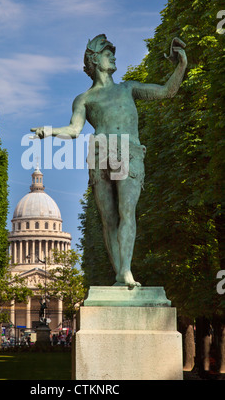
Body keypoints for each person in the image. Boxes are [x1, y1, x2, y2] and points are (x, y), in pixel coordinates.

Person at [31, 34, 187, 287]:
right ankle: (120, 272)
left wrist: (181, 65)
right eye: (107, 53)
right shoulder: (84, 99)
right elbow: (74, 130)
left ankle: (125, 271)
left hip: (128, 149)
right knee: (108, 219)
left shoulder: (128, 88)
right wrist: (48, 131)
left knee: (127, 212)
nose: (113, 56)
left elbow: (167, 92)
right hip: (99, 150)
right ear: (94, 60)